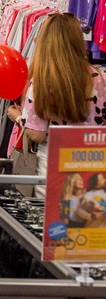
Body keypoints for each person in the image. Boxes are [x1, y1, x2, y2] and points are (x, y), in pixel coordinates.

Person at [6, 13, 106, 199]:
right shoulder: (98, 77)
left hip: (55, 160)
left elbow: (37, 134)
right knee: (86, 212)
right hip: (93, 159)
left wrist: (18, 117)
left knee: (52, 213)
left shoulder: (42, 81)